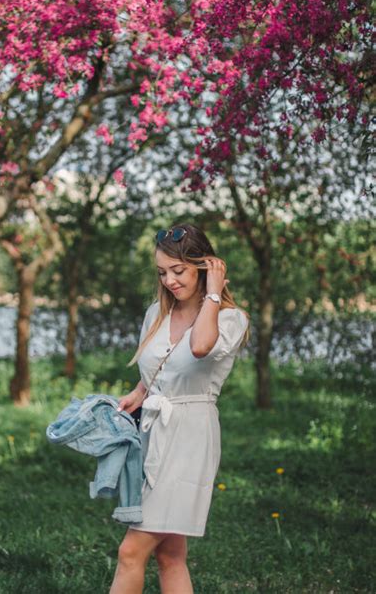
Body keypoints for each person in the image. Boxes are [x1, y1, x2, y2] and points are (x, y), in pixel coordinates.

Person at [109, 223, 250, 594]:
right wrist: (138, 393)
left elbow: (200, 347)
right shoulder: (157, 313)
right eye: (162, 272)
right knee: (170, 556)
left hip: (189, 437)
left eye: (179, 270)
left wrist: (214, 293)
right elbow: (156, 369)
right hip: (154, 433)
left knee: (130, 551)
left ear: (203, 267)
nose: (169, 280)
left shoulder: (229, 319)